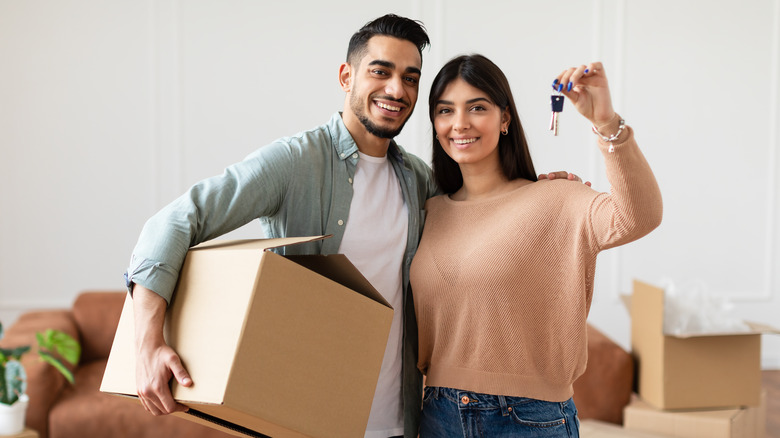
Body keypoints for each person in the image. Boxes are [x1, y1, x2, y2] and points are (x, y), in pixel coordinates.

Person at [125, 15, 579, 438]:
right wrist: (147, 343)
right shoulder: (296, 162)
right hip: (306, 415)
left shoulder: (419, 179)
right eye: (380, 72)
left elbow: (482, 206)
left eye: (410, 78)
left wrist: (534, 189)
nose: (396, 89)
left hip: (400, 419)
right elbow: (175, 223)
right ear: (347, 77)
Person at [409, 55, 663, 437]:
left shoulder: (556, 199)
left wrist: (606, 122)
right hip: (437, 415)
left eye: (477, 107)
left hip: (525, 419)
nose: (459, 123)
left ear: (505, 118)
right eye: (446, 110)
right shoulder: (429, 210)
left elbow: (640, 215)